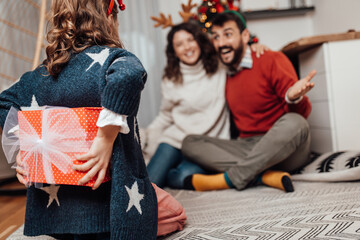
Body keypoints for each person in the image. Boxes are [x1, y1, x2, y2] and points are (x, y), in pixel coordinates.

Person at [0, 0, 186, 239]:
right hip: (115, 210)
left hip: (60, 219)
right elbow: (129, 75)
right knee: (176, 213)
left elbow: (4, 101)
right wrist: (104, 138)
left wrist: (24, 149)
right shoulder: (114, 59)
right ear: (109, 19)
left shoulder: (44, 73)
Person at [181, 11, 316, 193]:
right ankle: (262, 175)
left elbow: (302, 115)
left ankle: (230, 179)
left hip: (284, 147)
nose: (221, 43)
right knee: (190, 143)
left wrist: (293, 97)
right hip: (248, 146)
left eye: (228, 34)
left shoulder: (271, 59)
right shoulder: (222, 72)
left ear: (245, 36)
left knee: (296, 122)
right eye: (216, 37)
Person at [144, 21, 267, 189]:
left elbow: (239, 55)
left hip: (205, 146)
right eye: (179, 44)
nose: (187, 47)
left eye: (190, 40)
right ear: (174, 52)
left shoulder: (219, 65)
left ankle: (172, 172)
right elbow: (165, 115)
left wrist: (255, 47)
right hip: (174, 141)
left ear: (199, 41)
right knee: (149, 184)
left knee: (182, 177)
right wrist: (146, 139)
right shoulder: (171, 78)